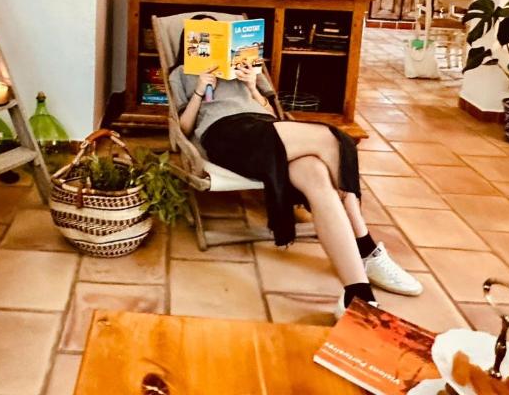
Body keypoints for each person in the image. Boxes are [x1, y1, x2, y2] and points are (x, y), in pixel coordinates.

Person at [169, 16, 422, 316]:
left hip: (266, 128)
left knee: (316, 172)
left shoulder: (244, 67)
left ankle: (356, 293)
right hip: (227, 134)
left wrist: (251, 86)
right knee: (335, 139)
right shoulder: (181, 73)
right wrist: (200, 89)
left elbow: (270, 113)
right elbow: (183, 128)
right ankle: (365, 246)